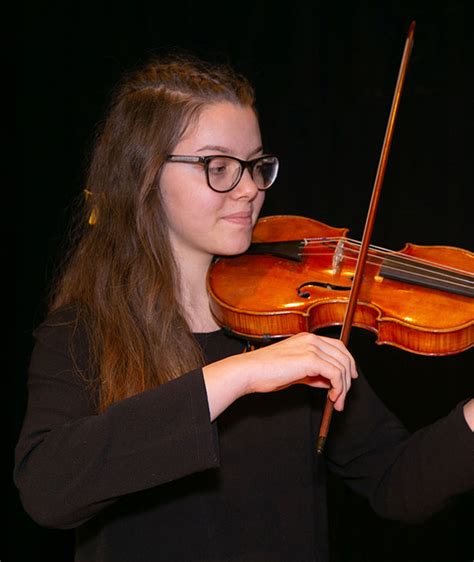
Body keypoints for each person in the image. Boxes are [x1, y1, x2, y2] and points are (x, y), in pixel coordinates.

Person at [15, 53, 473, 562]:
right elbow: (47, 488)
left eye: (255, 165)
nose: (251, 188)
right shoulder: (82, 330)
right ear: (143, 173)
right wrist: (238, 374)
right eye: (219, 167)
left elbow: (397, 482)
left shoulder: (292, 322)